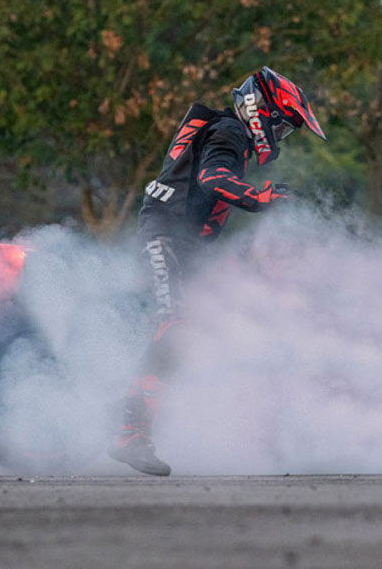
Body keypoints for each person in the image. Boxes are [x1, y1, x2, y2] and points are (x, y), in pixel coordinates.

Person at [108, 66, 326, 476]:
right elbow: (214, 177)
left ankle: (123, 408)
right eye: (282, 127)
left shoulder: (226, 131)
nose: (280, 137)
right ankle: (129, 430)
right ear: (262, 112)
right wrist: (261, 197)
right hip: (165, 236)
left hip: (180, 243)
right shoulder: (230, 132)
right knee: (175, 327)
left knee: (196, 333)